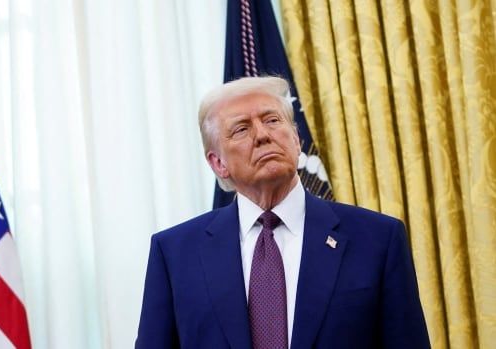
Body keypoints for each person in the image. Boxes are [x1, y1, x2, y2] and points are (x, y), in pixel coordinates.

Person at [135, 76, 430, 349]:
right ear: (218, 163)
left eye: (272, 120)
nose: (262, 135)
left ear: (296, 140)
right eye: (241, 128)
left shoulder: (377, 239)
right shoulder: (174, 253)